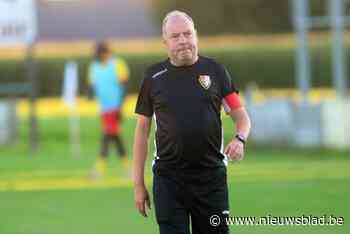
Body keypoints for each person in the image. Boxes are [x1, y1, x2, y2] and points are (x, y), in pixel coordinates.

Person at [133, 10, 251, 234]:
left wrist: (240, 138)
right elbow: (141, 133)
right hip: (169, 180)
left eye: (187, 34)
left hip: (211, 179)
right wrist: (138, 185)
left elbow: (241, 117)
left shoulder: (216, 71)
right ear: (165, 41)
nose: (183, 41)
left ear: (196, 35)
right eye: (175, 36)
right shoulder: (153, 77)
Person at [87, 41, 130, 178]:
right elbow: (92, 87)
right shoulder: (93, 67)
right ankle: (128, 169)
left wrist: (121, 107)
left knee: (107, 136)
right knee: (115, 137)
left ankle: (99, 169)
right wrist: (90, 94)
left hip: (115, 107)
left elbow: (125, 86)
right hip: (104, 109)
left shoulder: (117, 64)